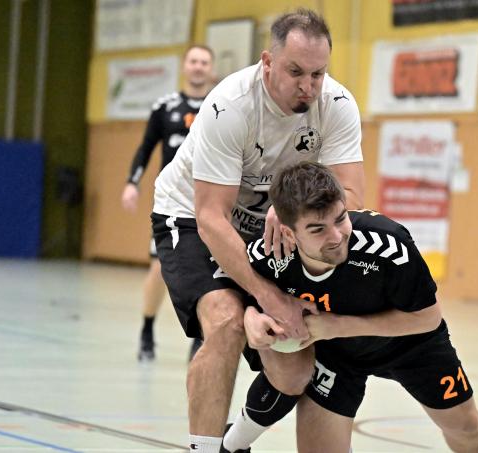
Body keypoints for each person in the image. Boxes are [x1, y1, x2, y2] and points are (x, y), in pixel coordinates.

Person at [150, 9, 365, 453]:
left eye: (318, 73)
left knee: (293, 368)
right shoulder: (230, 105)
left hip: (272, 228)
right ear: (268, 62)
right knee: (227, 321)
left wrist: (292, 212)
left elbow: (352, 199)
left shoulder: (338, 106)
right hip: (191, 215)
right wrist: (265, 295)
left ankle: (235, 444)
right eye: (295, 71)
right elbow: (212, 216)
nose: (307, 86)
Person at [222, 162, 478, 453]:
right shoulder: (267, 255)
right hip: (337, 357)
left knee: (467, 430)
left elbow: (429, 318)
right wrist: (251, 318)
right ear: (288, 234)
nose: (336, 236)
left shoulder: (389, 245)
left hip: (410, 345)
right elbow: (238, 291)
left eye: (340, 219)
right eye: (317, 229)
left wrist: (339, 326)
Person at [120, 45, 214, 362]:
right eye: (193, 61)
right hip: (173, 202)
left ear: (211, 68)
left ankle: (201, 335)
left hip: (210, 199)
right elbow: (146, 147)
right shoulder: (165, 106)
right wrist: (132, 183)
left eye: (204, 62)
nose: (198, 67)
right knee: (159, 267)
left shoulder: (222, 105)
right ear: (185, 67)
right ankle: (147, 331)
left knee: (212, 269)